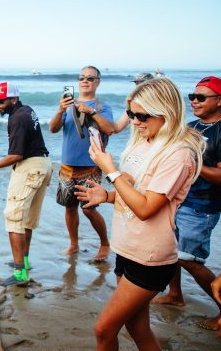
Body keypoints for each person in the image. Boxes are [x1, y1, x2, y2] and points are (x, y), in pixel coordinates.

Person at [75, 77, 204, 350]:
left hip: (150, 258)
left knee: (103, 330)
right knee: (137, 326)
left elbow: (146, 209)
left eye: (142, 115)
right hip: (127, 248)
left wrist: (110, 171)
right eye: (132, 113)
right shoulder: (142, 142)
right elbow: (135, 195)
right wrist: (107, 196)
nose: (134, 121)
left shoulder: (177, 154)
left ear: (166, 112)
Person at [153, 76, 221, 331]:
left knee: (188, 259)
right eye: (191, 97)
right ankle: (175, 295)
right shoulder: (190, 127)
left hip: (202, 206)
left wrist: (195, 163)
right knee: (170, 251)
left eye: (201, 97)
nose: (194, 101)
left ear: (219, 101)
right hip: (179, 199)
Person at [0, 82, 53, 286]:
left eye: (1, 100)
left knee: (14, 217)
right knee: (27, 219)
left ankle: (20, 274)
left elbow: (16, 155)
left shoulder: (17, 118)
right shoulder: (27, 110)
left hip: (30, 167)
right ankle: (23, 262)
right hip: (43, 164)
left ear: (13, 99)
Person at [49, 65, 115, 262]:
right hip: (67, 166)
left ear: (98, 82)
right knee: (70, 208)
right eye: (82, 78)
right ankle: (73, 244)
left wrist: (91, 112)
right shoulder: (68, 105)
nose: (85, 80)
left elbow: (110, 129)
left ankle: (105, 244)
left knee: (88, 208)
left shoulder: (103, 106)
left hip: (91, 165)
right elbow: (53, 129)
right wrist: (61, 109)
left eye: (90, 78)